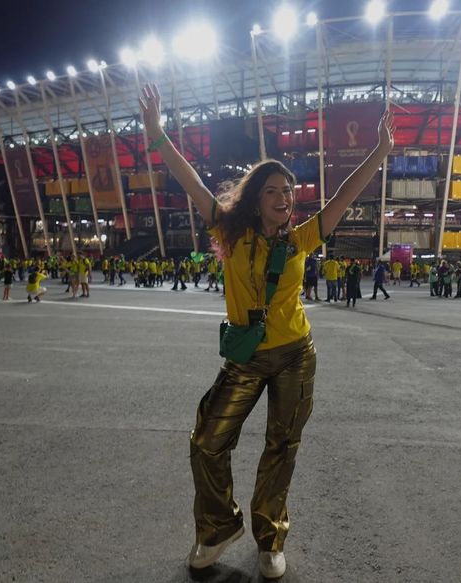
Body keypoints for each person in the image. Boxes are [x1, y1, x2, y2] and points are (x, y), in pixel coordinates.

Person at [140, 82, 394, 579]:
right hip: (245, 359)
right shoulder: (226, 230)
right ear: (256, 198)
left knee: (282, 446)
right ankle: (216, 529)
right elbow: (188, 177)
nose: (285, 198)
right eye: (274, 191)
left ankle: (270, 537)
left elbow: (345, 193)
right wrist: (155, 134)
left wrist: (380, 151)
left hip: (296, 354)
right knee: (207, 441)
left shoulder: (302, 238)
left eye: (289, 192)